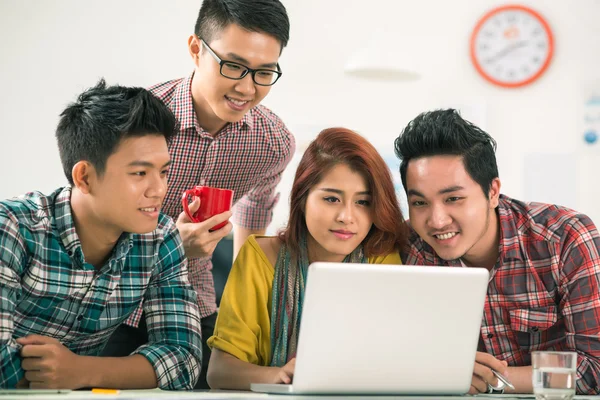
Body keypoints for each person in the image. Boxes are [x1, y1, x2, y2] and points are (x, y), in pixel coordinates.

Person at [101, 0, 295, 389]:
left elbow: (255, 219)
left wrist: (248, 311)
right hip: (111, 301)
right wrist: (173, 244)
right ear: (195, 49)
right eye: (233, 66)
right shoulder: (133, 123)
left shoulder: (271, 144)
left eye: (264, 73)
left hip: (193, 302)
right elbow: (92, 225)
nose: (246, 87)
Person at [0, 79, 202, 390]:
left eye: (163, 171)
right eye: (139, 173)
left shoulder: (161, 237)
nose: (159, 190)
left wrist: (82, 371)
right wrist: (64, 375)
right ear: (85, 177)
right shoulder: (13, 227)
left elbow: (183, 359)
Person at [394, 109, 600, 395]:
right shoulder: (409, 248)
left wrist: (489, 379)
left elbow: (595, 368)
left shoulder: (564, 238)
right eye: (419, 203)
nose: (437, 220)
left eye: (453, 199)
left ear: (493, 192)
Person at [205, 127, 408, 390]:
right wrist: (280, 376)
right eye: (331, 199)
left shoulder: (381, 258)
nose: (346, 216)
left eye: (363, 202)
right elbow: (220, 371)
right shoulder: (260, 257)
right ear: (302, 199)